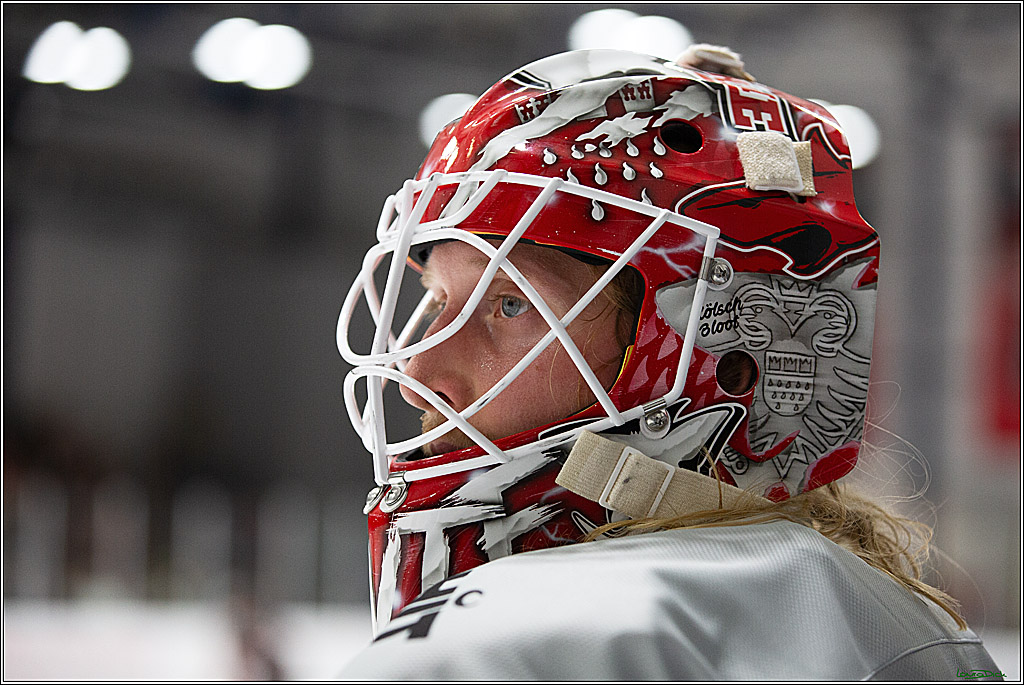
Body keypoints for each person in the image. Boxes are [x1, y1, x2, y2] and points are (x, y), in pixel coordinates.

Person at [335, 46, 1004, 680]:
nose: (418, 376)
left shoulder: (515, 645)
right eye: (437, 300)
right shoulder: (916, 630)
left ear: (720, 360)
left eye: (508, 306)